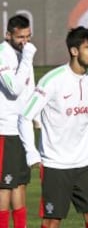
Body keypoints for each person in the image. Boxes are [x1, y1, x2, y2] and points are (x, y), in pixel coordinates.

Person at [18, 26, 88, 228]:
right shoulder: (52, 80)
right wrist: (31, 153)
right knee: (52, 221)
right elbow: (25, 117)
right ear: (74, 51)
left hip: (83, 164)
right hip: (55, 165)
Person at [0, 14, 37, 228]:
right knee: (5, 186)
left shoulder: (23, 53)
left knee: (21, 184)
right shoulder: (3, 54)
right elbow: (13, 89)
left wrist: (36, 117)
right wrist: (28, 58)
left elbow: (29, 89)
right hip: (6, 129)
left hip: (24, 129)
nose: (25, 41)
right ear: (8, 35)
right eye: (20, 37)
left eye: (28, 36)